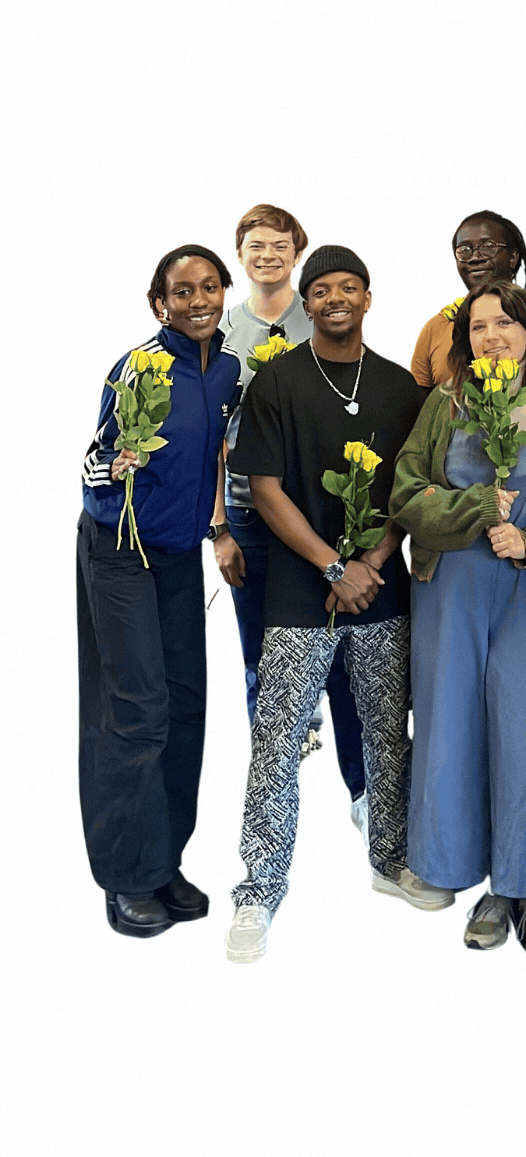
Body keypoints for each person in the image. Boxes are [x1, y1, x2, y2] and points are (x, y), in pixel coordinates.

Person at [223, 245, 446, 963]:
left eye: (348, 287)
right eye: (321, 290)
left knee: (388, 733)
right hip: (298, 592)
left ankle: (391, 859)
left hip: (381, 589)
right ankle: (258, 890)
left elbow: (412, 490)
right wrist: (331, 565)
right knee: (278, 740)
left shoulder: (399, 387)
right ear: (307, 302)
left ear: (368, 298)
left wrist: (370, 564)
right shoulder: (277, 381)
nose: (335, 299)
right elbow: (264, 489)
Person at [390, 282, 526, 959]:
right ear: (465, 342)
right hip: (450, 589)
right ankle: (468, 878)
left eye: (505, 322)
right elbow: (406, 494)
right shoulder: (445, 404)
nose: (492, 336)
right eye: (478, 327)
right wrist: (475, 506)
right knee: (450, 730)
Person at [79, 245, 242, 938]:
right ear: (160, 304)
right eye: (182, 292)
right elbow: (90, 464)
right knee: (136, 708)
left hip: (177, 554)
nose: (198, 301)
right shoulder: (138, 366)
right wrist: (115, 467)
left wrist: (221, 530)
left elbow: (224, 458)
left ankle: (164, 860)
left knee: (183, 706)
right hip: (119, 549)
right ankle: (126, 876)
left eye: (209, 287)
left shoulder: (230, 369)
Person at [218, 202, 367, 830]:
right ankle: (274, 785)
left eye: (280, 245)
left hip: (318, 510)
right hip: (248, 512)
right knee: (261, 651)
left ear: (297, 254)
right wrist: (219, 530)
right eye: (256, 245)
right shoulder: (222, 327)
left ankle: (365, 794)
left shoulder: (320, 315)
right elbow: (210, 435)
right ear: (240, 254)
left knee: (340, 653)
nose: (268, 255)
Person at [410, 208, 526, 401]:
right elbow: (420, 411)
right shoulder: (436, 328)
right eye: (465, 250)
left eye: (488, 247)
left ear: (513, 258)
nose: (475, 257)